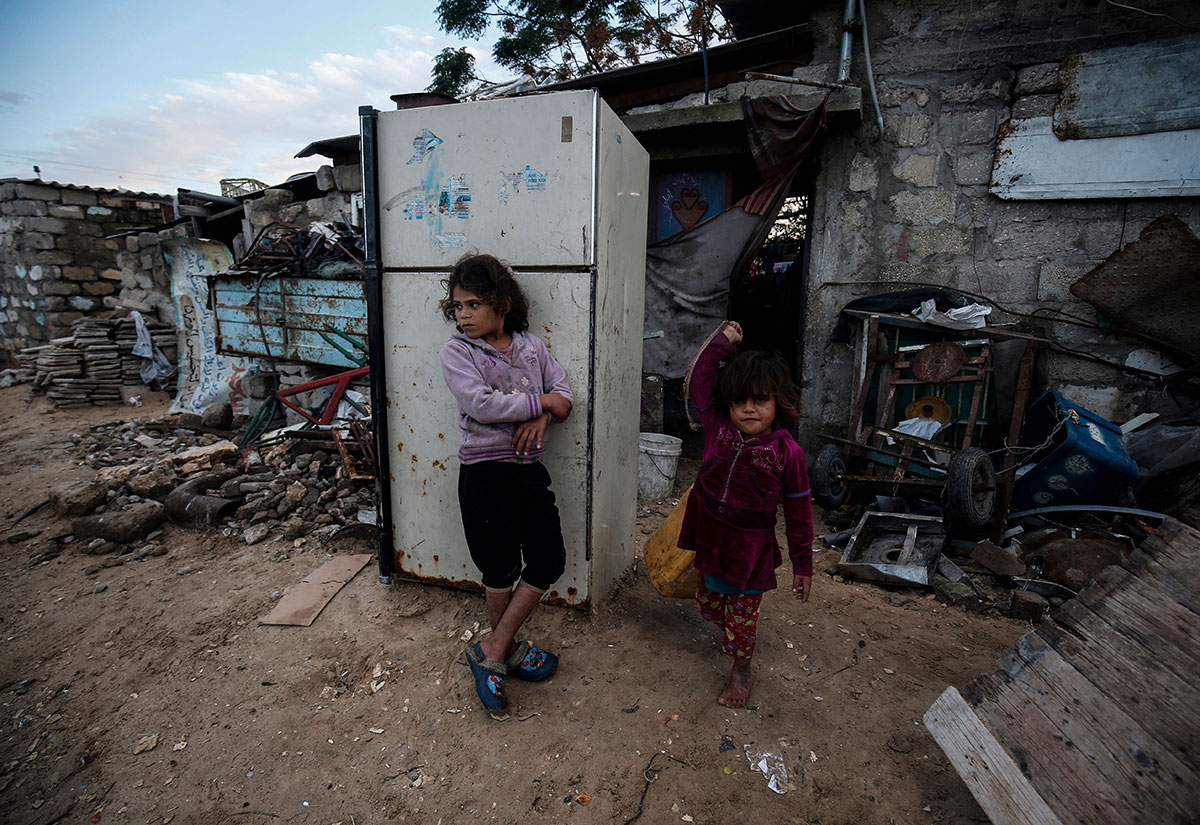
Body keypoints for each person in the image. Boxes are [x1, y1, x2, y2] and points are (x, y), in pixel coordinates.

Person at [439, 253, 574, 711]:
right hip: (483, 473)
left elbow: (566, 396)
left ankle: (492, 650)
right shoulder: (457, 352)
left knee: (549, 559)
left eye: (474, 304)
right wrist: (541, 404)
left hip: (527, 472)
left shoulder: (532, 348)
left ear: (504, 303)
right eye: (457, 306)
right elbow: (481, 405)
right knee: (498, 568)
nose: (464, 315)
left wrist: (548, 410)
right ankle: (509, 653)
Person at [677, 320, 814, 708]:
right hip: (710, 538)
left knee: (741, 615)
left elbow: (800, 513)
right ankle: (734, 634)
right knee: (709, 604)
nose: (749, 409)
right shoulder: (718, 428)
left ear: (778, 402)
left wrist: (803, 565)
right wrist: (724, 342)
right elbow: (699, 378)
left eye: (760, 400)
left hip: (750, 551)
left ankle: (741, 669)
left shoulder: (788, 454)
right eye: (740, 401)